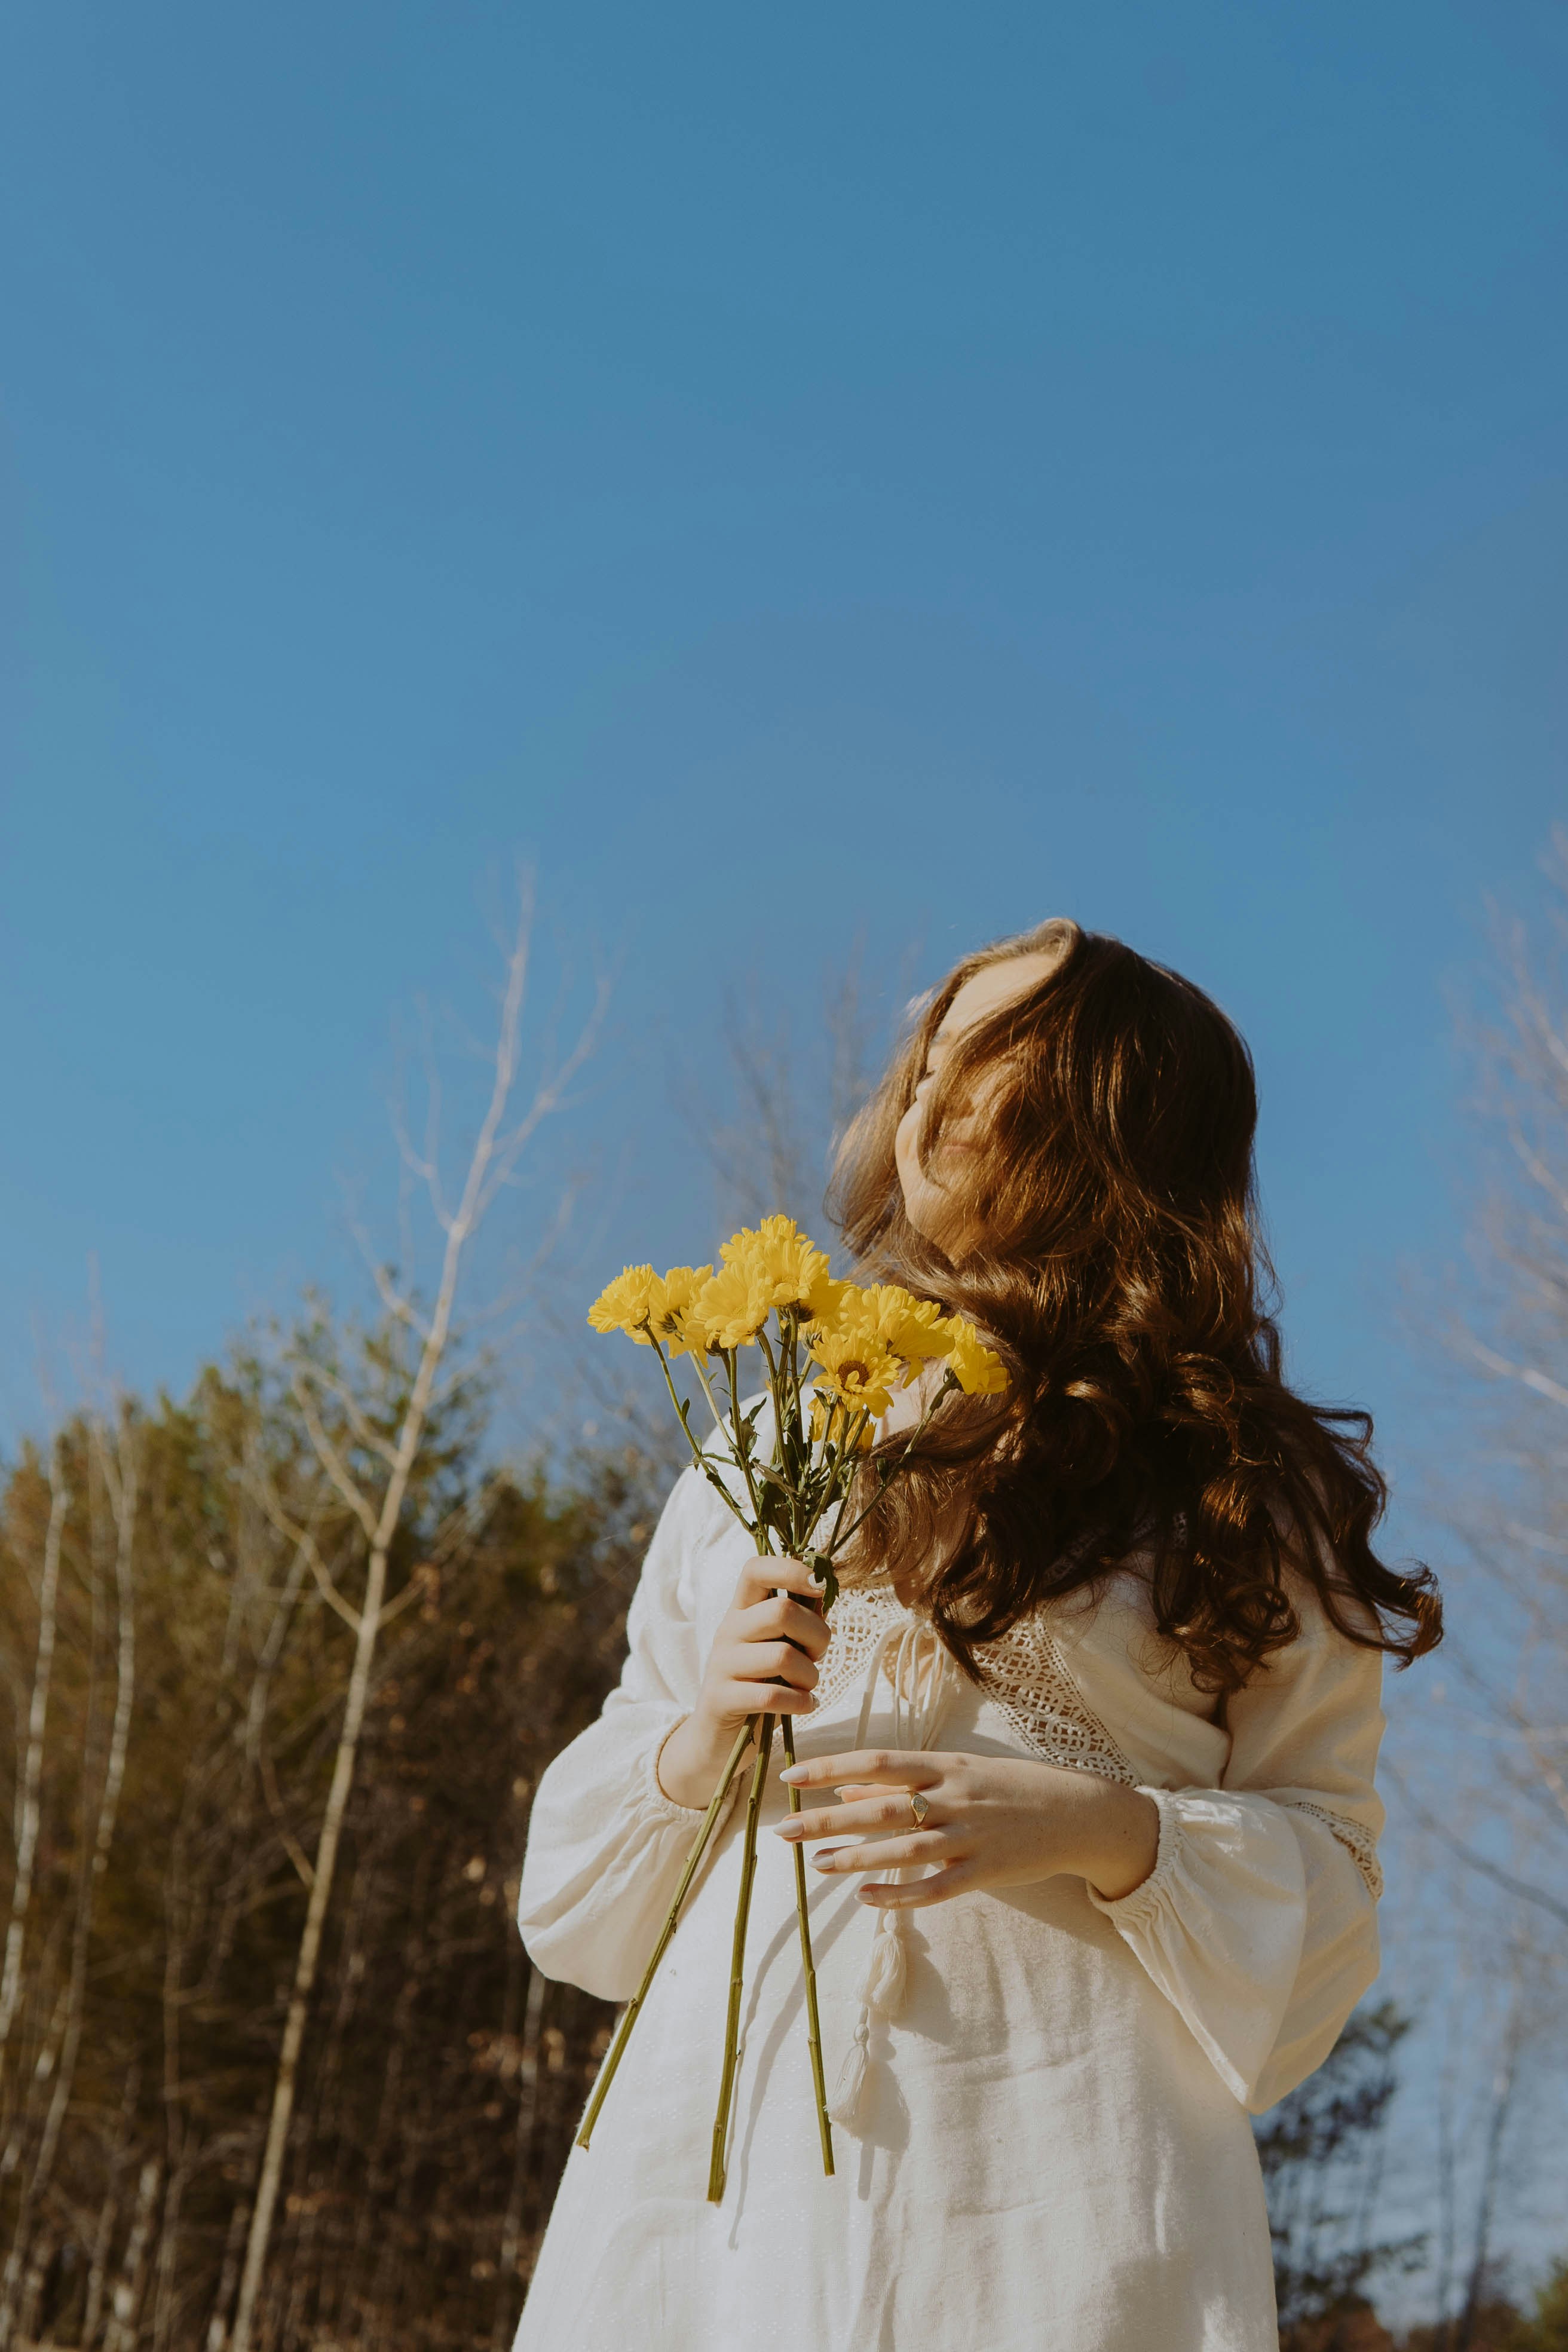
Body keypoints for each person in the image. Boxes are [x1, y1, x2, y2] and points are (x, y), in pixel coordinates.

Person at [513, 918, 1441, 2352]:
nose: (930, 1100)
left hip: (1061, 2183)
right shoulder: (774, 1425)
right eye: (927, 1057)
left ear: (1117, 1120)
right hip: (718, 2183)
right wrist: (699, 1738)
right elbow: (577, 1912)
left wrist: (1103, 1829)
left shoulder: (1246, 1490)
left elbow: (1325, 1909)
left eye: (995, 1065)